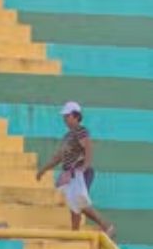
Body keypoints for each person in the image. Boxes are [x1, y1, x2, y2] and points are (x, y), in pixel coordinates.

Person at [35, 101, 114, 237]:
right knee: (74, 204)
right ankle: (75, 234)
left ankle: (107, 226)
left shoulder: (81, 131)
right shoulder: (68, 136)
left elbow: (88, 148)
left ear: (76, 116)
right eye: (64, 116)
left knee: (80, 202)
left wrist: (84, 167)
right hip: (71, 174)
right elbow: (58, 157)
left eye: (67, 116)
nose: (65, 119)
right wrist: (44, 170)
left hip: (79, 172)